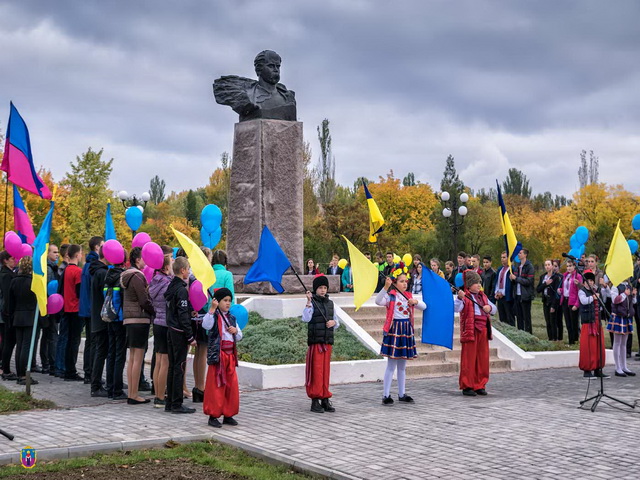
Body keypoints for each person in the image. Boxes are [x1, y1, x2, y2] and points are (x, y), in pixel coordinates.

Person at [375, 265, 426, 405]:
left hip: (406, 330)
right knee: (391, 365)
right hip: (394, 329)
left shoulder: (409, 296)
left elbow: (424, 307)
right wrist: (385, 287)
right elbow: (378, 301)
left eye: (406, 281)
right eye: (401, 281)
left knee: (402, 366)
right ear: (395, 283)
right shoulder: (391, 296)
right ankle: (386, 395)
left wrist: (415, 302)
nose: (405, 283)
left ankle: (402, 393)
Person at [202, 287, 243, 427]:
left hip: (230, 357)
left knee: (230, 385)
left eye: (229, 301)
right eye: (225, 300)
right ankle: (213, 415)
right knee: (216, 386)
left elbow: (239, 336)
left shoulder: (231, 318)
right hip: (218, 357)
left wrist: (235, 330)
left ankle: (228, 413)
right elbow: (206, 325)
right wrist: (212, 309)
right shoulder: (213, 316)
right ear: (217, 302)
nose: (227, 303)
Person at [121, 247, 155, 404]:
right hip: (139, 320)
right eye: (143, 258)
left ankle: (131, 392)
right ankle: (134, 394)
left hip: (129, 319)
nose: (146, 261)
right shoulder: (137, 276)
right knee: (137, 358)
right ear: (137, 260)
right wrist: (153, 310)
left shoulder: (127, 276)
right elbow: (144, 300)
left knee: (133, 358)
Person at [455, 271, 496, 396]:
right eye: (475, 283)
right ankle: (467, 385)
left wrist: (489, 307)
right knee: (469, 358)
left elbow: (494, 309)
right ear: (468, 284)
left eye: (479, 282)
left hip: (483, 329)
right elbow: (457, 308)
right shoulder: (465, 297)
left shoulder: (483, 297)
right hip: (471, 330)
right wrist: (459, 298)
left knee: (482, 358)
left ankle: (480, 384)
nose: (479, 285)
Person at [302, 275, 339, 413]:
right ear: (315, 289)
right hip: (316, 343)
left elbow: (336, 321)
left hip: (327, 342)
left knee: (325, 373)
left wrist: (333, 323)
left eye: (325, 288)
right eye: (320, 288)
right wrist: (308, 302)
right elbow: (306, 318)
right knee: (316, 373)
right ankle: (315, 400)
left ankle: (325, 399)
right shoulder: (312, 302)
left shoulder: (330, 304)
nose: (323, 290)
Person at [164, 256, 196, 414]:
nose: (189, 272)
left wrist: (190, 311)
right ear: (182, 270)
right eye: (188, 269)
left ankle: (169, 401)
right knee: (179, 367)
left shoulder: (171, 286)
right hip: (179, 332)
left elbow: (177, 310)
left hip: (170, 329)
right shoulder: (182, 289)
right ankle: (177, 403)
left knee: (172, 366)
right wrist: (190, 336)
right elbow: (182, 316)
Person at [149, 246, 174, 408]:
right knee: (164, 362)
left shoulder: (154, 281)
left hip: (157, 323)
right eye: (171, 262)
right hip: (165, 323)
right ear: (165, 267)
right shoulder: (166, 284)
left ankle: (158, 394)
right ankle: (160, 396)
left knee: (158, 361)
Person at [8, 256, 38, 385]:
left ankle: (20, 373)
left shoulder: (14, 281)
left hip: (17, 316)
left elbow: (10, 302)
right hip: (30, 316)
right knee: (26, 346)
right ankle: (24, 376)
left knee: (19, 346)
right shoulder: (34, 282)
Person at [79, 236, 104, 384]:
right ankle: (92, 374)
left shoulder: (87, 265)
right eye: (103, 245)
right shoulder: (94, 267)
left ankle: (89, 372)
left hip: (87, 307)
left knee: (90, 341)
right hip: (92, 308)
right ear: (96, 247)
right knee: (94, 343)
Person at [104, 253, 127, 400]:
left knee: (111, 352)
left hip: (109, 317)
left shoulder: (108, 277)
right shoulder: (122, 278)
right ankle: (117, 389)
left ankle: (110, 386)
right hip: (120, 319)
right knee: (120, 354)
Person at [578, 270, 607, 378]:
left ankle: (597, 368)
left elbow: (604, 299)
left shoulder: (596, 290)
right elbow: (584, 301)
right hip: (588, 323)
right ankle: (587, 369)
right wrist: (593, 297)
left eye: (591, 280)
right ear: (584, 282)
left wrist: (604, 288)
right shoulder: (582, 291)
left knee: (598, 346)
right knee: (588, 347)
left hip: (596, 322)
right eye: (587, 281)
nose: (589, 282)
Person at [89, 247, 109, 397]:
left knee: (99, 351)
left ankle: (96, 383)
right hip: (102, 318)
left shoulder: (96, 271)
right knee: (101, 352)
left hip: (96, 317)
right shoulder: (102, 273)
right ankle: (95, 385)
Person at [63, 244, 84, 381]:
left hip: (67, 308)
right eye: (81, 253)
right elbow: (79, 292)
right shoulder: (77, 271)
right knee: (74, 341)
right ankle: (71, 371)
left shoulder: (65, 270)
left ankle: (67, 369)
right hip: (76, 308)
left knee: (69, 339)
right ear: (77, 255)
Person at [607, 281, 636, 377]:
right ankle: (617, 367)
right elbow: (614, 300)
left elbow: (633, 302)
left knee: (624, 343)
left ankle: (624, 366)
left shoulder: (628, 285)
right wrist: (624, 294)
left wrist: (633, 295)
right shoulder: (615, 286)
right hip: (618, 316)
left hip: (626, 317)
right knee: (617, 342)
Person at [40, 244, 60, 375]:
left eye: (58, 252)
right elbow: (49, 288)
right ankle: (49, 364)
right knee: (50, 335)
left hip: (50, 305)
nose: (57, 254)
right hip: (49, 306)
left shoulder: (52, 267)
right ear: (48, 254)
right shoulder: (48, 269)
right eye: (54, 252)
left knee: (47, 335)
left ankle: (46, 362)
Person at [53, 244, 70, 378]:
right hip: (65, 307)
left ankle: (59, 366)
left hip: (62, 306)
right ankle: (59, 366)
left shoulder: (61, 269)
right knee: (63, 338)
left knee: (62, 337)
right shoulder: (63, 269)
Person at [0, 251, 17, 381]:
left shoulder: (9, 273)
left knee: (8, 341)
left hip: (7, 313)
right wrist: (9, 312)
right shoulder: (6, 275)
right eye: (12, 258)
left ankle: (5, 368)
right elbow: (7, 296)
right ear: (5, 260)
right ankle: (5, 369)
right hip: (7, 314)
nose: (15, 260)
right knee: (8, 342)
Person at [536, 259, 563, 341]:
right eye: (546, 265)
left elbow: (556, 293)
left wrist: (554, 305)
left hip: (552, 301)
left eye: (549, 264)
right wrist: (545, 284)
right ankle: (550, 338)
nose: (547, 266)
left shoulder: (556, 277)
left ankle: (555, 338)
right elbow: (538, 289)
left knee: (553, 321)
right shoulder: (543, 277)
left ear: (552, 266)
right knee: (547, 321)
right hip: (545, 300)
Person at [510, 249, 534, 333]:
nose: (518, 255)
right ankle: (520, 333)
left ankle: (528, 334)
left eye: (520, 253)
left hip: (525, 295)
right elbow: (515, 281)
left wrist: (516, 278)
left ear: (525, 255)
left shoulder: (529, 266)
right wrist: (512, 279)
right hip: (517, 294)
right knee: (519, 316)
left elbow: (529, 281)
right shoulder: (517, 266)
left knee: (526, 317)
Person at [559, 259, 582, 345]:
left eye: (570, 266)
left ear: (574, 266)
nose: (568, 268)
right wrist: (561, 290)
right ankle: (570, 341)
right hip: (565, 300)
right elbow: (565, 288)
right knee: (568, 322)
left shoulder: (578, 276)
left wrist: (577, 304)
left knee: (574, 323)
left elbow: (580, 291)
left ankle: (575, 340)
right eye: (567, 266)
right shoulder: (565, 276)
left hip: (573, 301)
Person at [494, 252, 515, 326]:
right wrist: (497, 292)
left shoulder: (512, 269)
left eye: (504, 257)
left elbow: (509, 284)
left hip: (507, 297)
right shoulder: (500, 269)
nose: (502, 259)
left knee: (509, 316)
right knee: (502, 317)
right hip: (499, 296)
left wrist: (503, 293)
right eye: (501, 257)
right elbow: (497, 282)